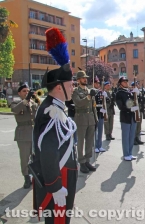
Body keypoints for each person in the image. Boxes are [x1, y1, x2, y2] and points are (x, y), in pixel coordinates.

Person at [32, 27, 77, 223]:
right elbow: (48, 150)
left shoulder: (55, 107)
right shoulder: (51, 112)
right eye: (71, 85)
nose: (73, 88)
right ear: (59, 87)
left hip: (64, 174)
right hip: (60, 177)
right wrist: (55, 185)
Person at [11, 84, 39, 188]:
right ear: (19, 93)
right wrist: (26, 100)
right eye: (24, 91)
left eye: (27, 91)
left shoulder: (32, 103)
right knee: (24, 157)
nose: (26, 93)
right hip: (23, 134)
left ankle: (35, 175)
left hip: (33, 132)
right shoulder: (16, 102)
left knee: (35, 156)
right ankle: (26, 177)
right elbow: (15, 110)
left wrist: (35, 99)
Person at [72, 70, 97, 173]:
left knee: (90, 141)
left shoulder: (89, 90)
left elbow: (93, 106)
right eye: (83, 78)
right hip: (81, 118)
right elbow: (78, 103)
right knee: (81, 142)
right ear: (78, 80)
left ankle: (87, 160)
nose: (85, 79)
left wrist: (95, 118)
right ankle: (81, 162)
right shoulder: (75, 91)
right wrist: (88, 97)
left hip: (90, 118)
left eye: (86, 78)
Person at [115, 77, 138, 161]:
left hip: (132, 117)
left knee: (131, 136)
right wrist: (130, 109)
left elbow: (135, 102)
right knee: (126, 136)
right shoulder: (119, 93)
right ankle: (126, 154)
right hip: (125, 117)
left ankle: (130, 153)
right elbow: (121, 106)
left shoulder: (130, 92)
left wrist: (137, 94)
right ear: (120, 83)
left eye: (127, 81)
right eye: (124, 82)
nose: (126, 83)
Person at [93, 77, 107, 153]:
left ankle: (100, 145)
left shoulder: (100, 92)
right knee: (95, 131)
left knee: (100, 130)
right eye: (96, 83)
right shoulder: (92, 92)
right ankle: (95, 146)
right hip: (95, 114)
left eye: (98, 83)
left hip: (101, 114)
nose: (97, 84)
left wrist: (105, 96)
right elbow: (93, 104)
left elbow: (104, 102)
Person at [131, 81, 145, 145]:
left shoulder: (139, 93)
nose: (136, 87)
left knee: (139, 125)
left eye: (137, 85)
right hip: (134, 111)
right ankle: (133, 139)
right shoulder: (131, 93)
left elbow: (143, 101)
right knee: (134, 126)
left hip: (140, 110)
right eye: (134, 86)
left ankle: (137, 138)